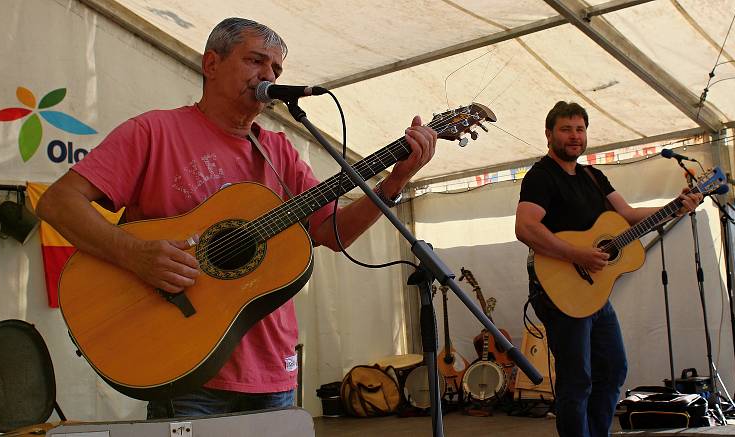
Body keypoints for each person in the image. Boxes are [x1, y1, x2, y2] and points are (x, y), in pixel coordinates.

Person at [36, 17, 437, 418]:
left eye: (277, 69)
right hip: (186, 364)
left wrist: (393, 183)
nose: (268, 75)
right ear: (211, 64)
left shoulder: (279, 152)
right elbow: (58, 203)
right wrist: (135, 254)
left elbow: (333, 232)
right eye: (256, 61)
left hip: (274, 369)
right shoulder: (153, 132)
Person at [514, 101, 702, 437]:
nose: (574, 136)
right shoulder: (541, 177)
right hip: (560, 289)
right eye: (566, 129)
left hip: (594, 292)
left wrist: (675, 207)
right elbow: (526, 228)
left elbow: (628, 216)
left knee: (614, 369)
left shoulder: (594, 176)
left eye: (580, 129)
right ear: (549, 134)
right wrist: (577, 254)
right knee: (577, 379)